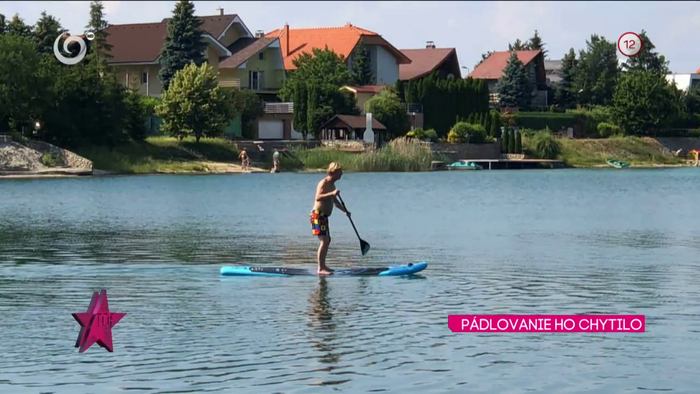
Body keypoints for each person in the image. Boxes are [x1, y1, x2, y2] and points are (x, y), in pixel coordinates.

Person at [310, 162, 350, 275]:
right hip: (317, 215)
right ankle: (320, 268)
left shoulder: (332, 185)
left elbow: (335, 202)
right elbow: (318, 197)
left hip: (324, 216)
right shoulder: (324, 183)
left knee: (327, 240)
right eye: (340, 172)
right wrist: (332, 193)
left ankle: (323, 266)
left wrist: (345, 211)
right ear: (334, 172)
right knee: (325, 241)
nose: (341, 174)